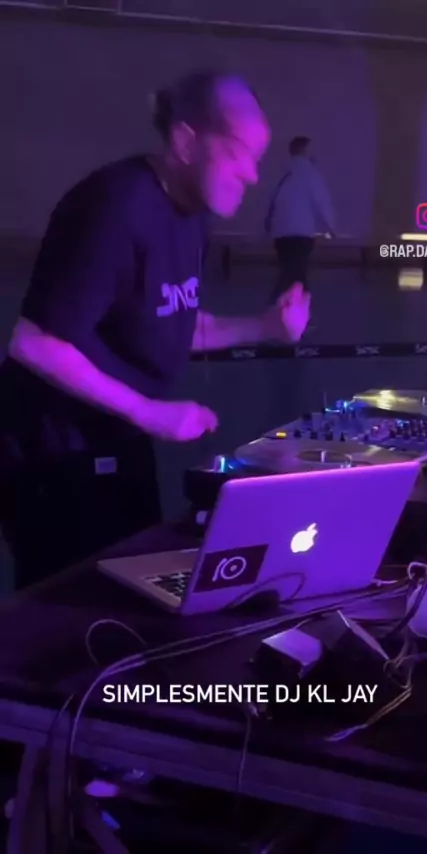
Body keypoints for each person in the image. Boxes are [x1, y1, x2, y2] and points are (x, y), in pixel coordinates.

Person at [0, 70, 311, 588]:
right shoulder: (114, 207)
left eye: (257, 159)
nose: (252, 176)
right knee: (72, 602)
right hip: (53, 450)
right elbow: (35, 343)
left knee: (135, 579)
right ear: (186, 142)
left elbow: (172, 322)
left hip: (118, 435)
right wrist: (149, 412)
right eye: (239, 153)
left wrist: (264, 325)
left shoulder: (192, 218)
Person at [265, 136, 335, 298]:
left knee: (288, 271)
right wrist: (331, 228)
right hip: (303, 234)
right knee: (298, 273)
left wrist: (266, 229)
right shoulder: (312, 175)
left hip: (281, 233)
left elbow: (271, 203)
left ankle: (284, 303)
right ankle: (290, 305)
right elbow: (322, 204)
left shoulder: (283, 175)